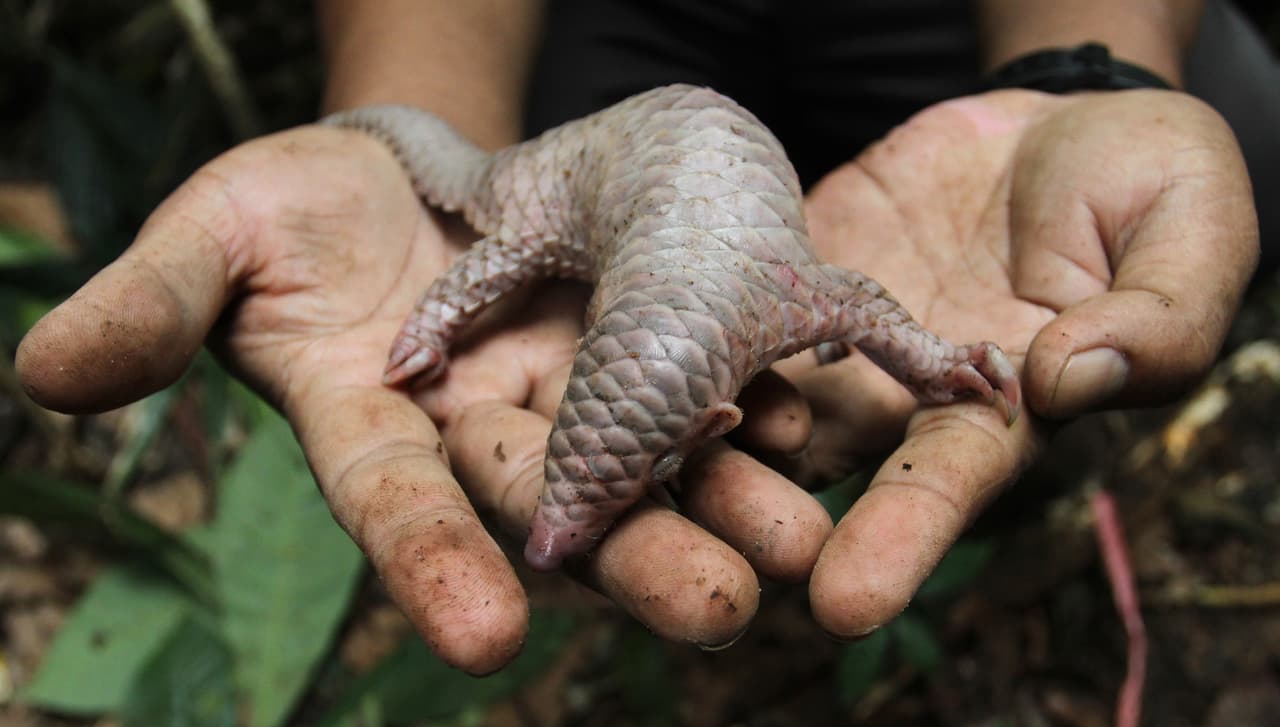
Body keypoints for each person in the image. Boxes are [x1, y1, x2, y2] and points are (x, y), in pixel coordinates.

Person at [14, 0, 1266, 673]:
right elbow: (867, 311)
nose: (558, 530)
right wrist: (440, 295)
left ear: (717, 419)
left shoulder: (784, 293)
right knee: (506, 216)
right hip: (604, 140)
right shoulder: (779, 293)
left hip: (902, 49)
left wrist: (1079, 74)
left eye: (592, 490)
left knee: (1247, 109)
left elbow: (878, 316)